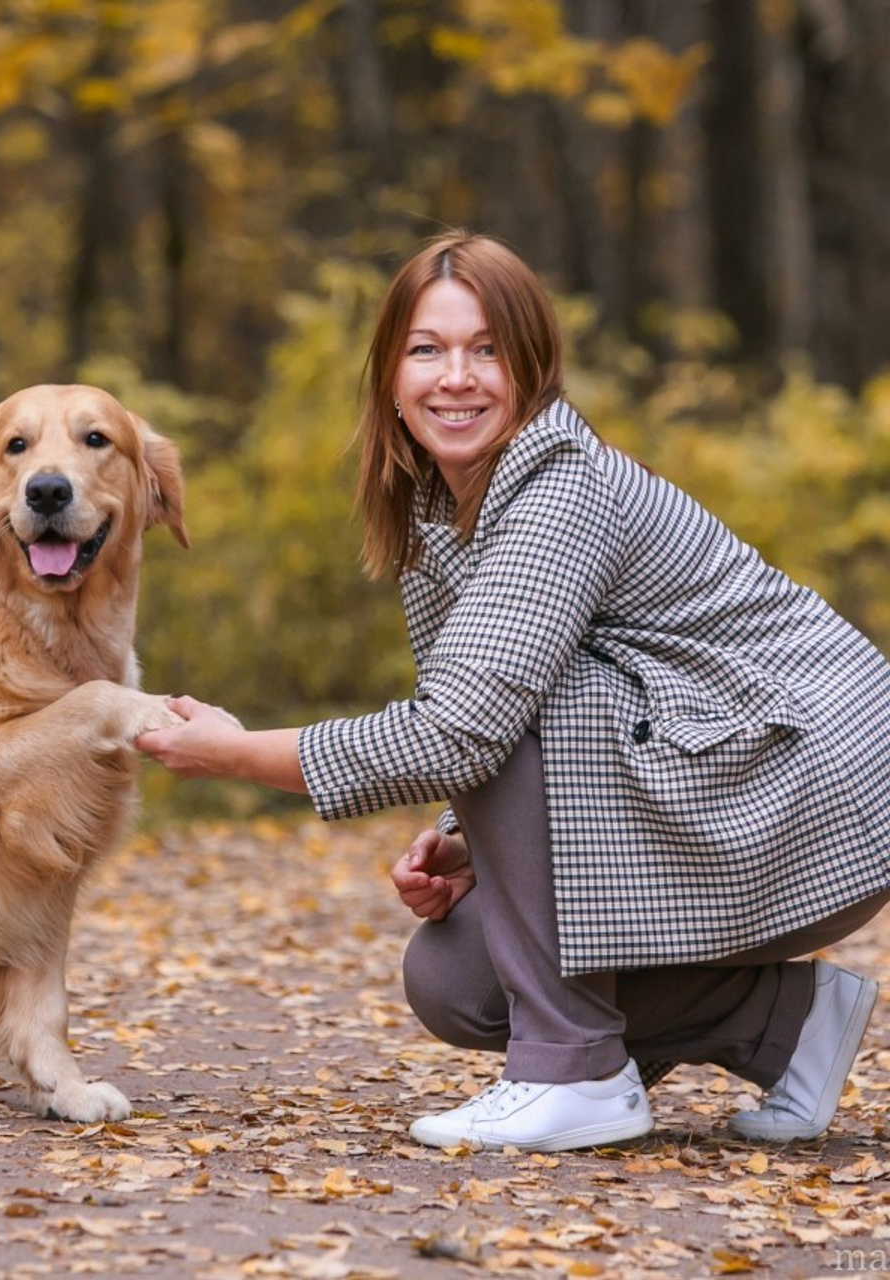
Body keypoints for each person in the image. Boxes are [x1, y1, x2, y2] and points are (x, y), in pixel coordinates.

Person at [136, 229, 890, 1153]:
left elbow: (467, 727)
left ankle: (573, 1070)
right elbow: (492, 719)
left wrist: (235, 752)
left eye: (487, 348)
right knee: (457, 977)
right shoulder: (439, 506)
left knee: (511, 707)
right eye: (428, 350)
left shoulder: (559, 485)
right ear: (389, 377)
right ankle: (788, 1020)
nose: (458, 377)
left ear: (534, 365)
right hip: (736, 783)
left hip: (822, 794)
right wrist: (475, 840)